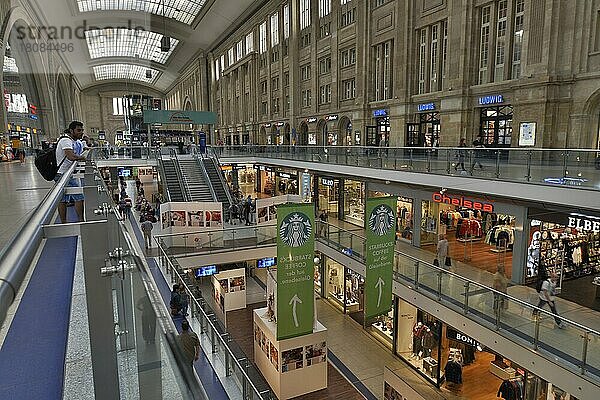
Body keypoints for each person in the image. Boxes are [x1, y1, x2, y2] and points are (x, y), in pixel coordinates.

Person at [55, 121, 87, 223]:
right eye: (78, 130)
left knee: (63, 198)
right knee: (79, 197)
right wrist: (83, 158)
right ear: (71, 130)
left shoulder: (71, 141)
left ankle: (64, 221)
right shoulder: (66, 141)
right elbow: (71, 156)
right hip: (63, 173)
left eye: (82, 130)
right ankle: (81, 220)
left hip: (63, 173)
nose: (81, 132)